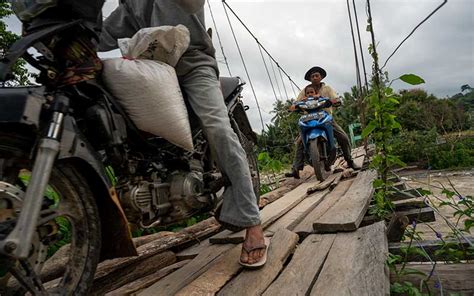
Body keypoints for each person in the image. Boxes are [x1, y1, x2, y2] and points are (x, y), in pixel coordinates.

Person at [99, 0, 266, 267]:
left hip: (194, 65)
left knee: (218, 128)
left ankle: (253, 224)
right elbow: (103, 33)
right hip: (150, 68)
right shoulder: (131, 4)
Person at [285, 66, 360, 179]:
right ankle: (296, 169)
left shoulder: (327, 89)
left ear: (321, 77)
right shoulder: (305, 91)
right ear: (310, 79)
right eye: (312, 76)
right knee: (300, 141)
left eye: (317, 75)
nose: (315, 78)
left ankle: (349, 161)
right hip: (309, 118)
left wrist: (335, 101)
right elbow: (296, 102)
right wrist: (293, 107)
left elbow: (336, 98)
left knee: (343, 137)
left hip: (325, 118)